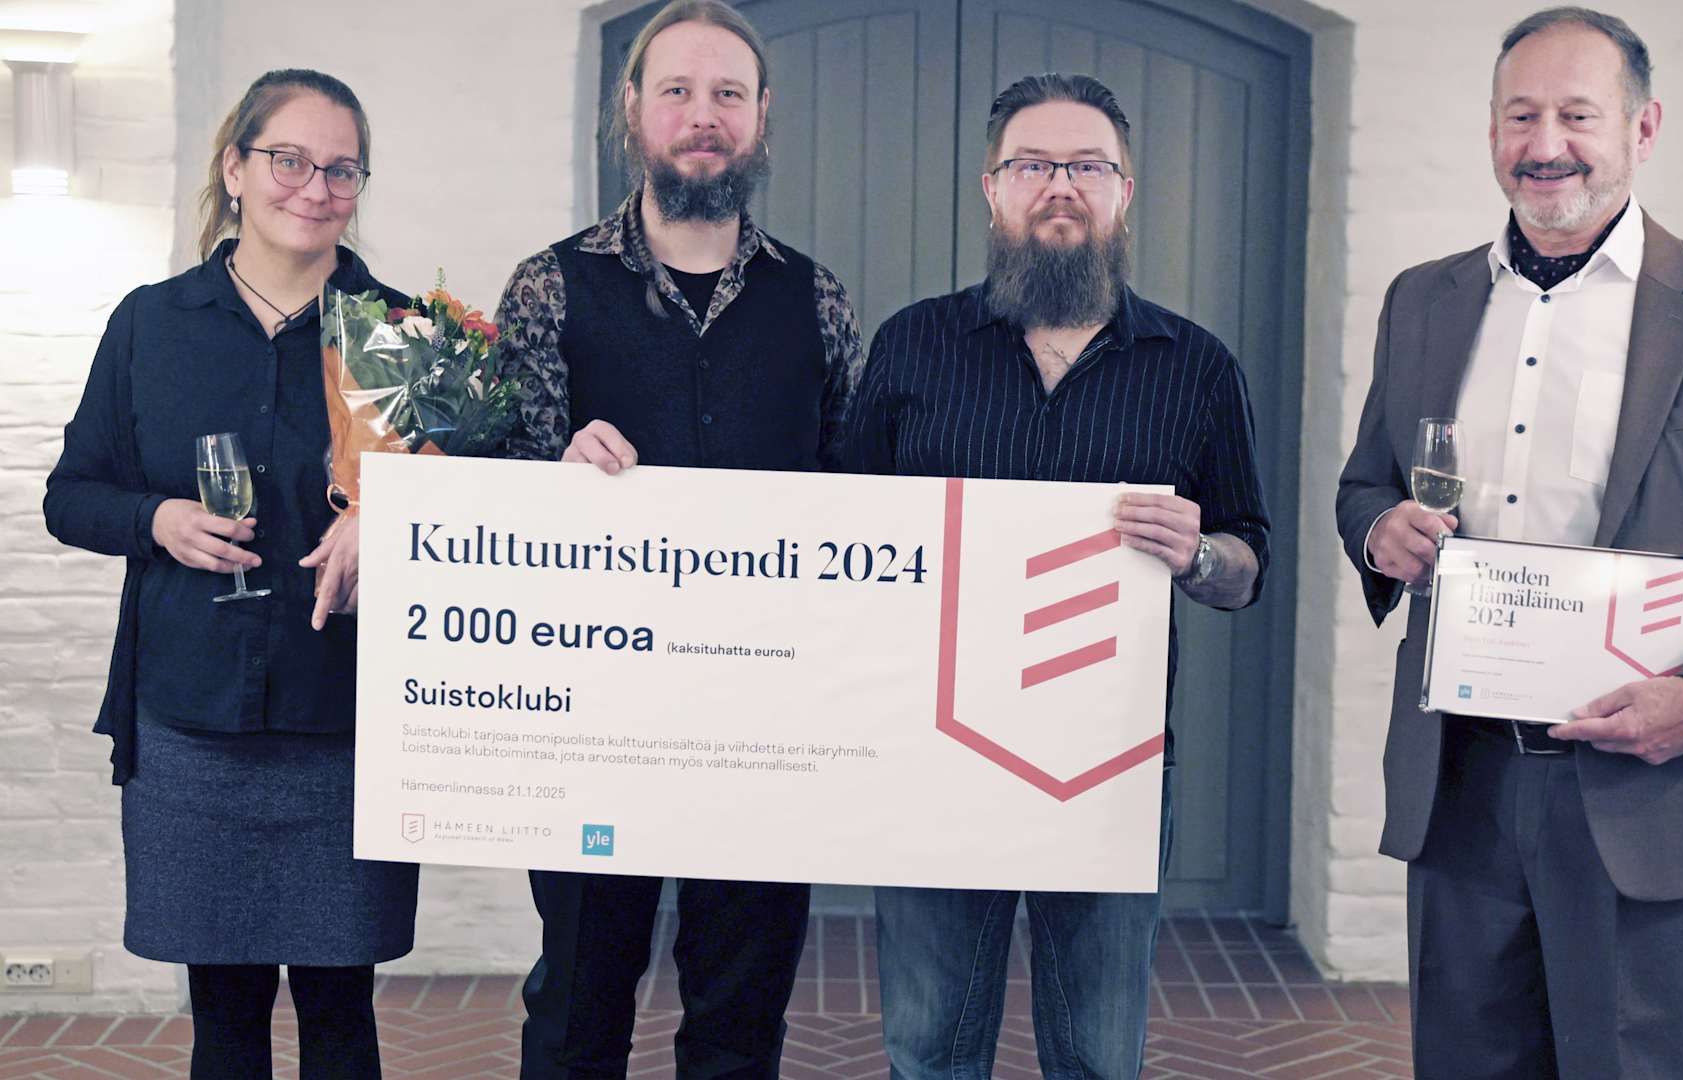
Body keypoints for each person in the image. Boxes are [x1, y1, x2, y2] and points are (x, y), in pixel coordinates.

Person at [1334, 7, 1683, 1076]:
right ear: (1492, 129)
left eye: (1578, 115)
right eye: (1520, 115)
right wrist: (1379, 532)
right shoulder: (1424, 299)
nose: (1547, 144)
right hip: (1464, 785)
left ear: (1642, 127)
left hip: (1657, 788)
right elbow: (1367, 486)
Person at [838, 72, 1269, 1078]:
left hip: (1110, 763)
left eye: (1088, 166)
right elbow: (844, 539)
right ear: (992, 189)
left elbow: (1247, 563)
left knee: (1097, 1058)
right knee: (930, 1051)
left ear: (1126, 192)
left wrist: (1199, 553)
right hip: (936, 752)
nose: (1061, 186)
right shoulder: (913, 345)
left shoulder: (1197, 367)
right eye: (1034, 165)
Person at [490, 1, 862, 1076]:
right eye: (678, 92)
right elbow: (490, 498)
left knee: (742, 1015)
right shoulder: (549, 285)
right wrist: (553, 474)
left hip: (766, 715)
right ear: (633, 109)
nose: (704, 115)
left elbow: (855, 498)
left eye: (728, 94)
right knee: (577, 1006)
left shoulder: (817, 298)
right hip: (592, 711)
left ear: (761, 116)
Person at [43, 68, 417, 1079]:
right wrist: (156, 519)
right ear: (235, 168)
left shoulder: (398, 334)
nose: (315, 187)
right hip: (191, 724)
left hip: (346, 724)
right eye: (289, 159)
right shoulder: (152, 323)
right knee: (224, 1024)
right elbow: (70, 496)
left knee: (341, 1021)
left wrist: (393, 514)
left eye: (341, 169)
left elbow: (477, 516)